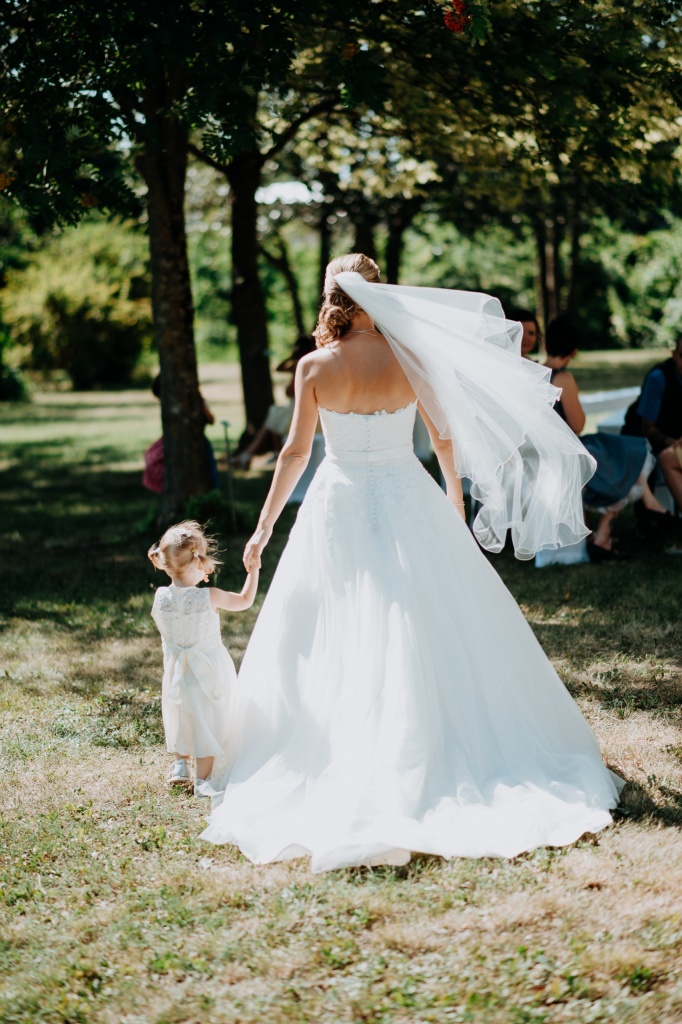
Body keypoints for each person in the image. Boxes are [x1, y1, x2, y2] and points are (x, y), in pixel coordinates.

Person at [199, 253, 622, 873]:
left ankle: (333, 749)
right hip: (407, 492)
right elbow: (443, 435)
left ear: (332, 296)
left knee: (335, 620)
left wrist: (264, 527)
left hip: (339, 501)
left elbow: (293, 453)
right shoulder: (411, 357)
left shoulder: (315, 366)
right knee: (427, 613)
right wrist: (454, 497)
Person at [544, 317, 673, 560]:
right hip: (567, 450)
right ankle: (623, 523)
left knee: (622, 453)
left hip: (550, 449)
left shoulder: (538, 374)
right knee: (631, 452)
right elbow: (578, 424)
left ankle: (609, 533)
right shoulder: (563, 379)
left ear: (546, 344)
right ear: (574, 349)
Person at [148, 520, 259, 796]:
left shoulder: (160, 597)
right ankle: (203, 780)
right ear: (198, 562)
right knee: (206, 721)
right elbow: (245, 600)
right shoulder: (210, 596)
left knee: (182, 715)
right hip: (208, 671)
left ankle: (181, 765)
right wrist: (254, 571)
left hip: (176, 671)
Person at [232, 336, 317, 470]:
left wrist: (291, 358)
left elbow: (290, 391)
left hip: (296, 409)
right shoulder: (308, 363)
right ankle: (253, 454)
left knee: (273, 417)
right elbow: (279, 368)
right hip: (294, 408)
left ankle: (254, 454)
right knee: (274, 416)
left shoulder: (299, 365)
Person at [623, 336, 682, 511]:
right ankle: (649, 518)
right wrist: (673, 443)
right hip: (649, 438)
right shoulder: (659, 378)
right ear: (674, 355)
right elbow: (647, 427)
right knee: (661, 458)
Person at [143, 375, 220, 493]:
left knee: (209, 475)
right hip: (175, 442)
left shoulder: (196, 401)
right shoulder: (171, 406)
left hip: (198, 442)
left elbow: (211, 420)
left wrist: (201, 405)